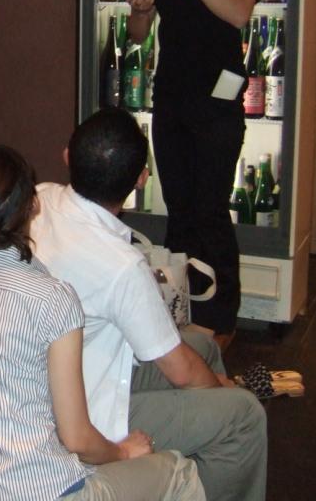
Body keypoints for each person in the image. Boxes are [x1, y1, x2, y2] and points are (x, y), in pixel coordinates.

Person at [0, 145, 204, 501]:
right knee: (179, 471)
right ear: (33, 205)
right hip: (44, 489)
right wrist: (123, 452)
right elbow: (76, 439)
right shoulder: (53, 298)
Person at [30, 108, 267, 501]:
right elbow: (180, 372)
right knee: (243, 415)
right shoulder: (121, 266)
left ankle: (187, 477)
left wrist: (211, 388)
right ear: (141, 179)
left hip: (57, 376)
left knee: (203, 348)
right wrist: (221, 390)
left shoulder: (38, 200)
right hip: (82, 413)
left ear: (67, 157)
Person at [125, 0, 261, 340]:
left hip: (219, 103)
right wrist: (140, 10)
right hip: (171, 98)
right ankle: (179, 314)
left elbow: (238, 14)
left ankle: (220, 321)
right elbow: (139, 36)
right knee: (179, 210)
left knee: (211, 209)